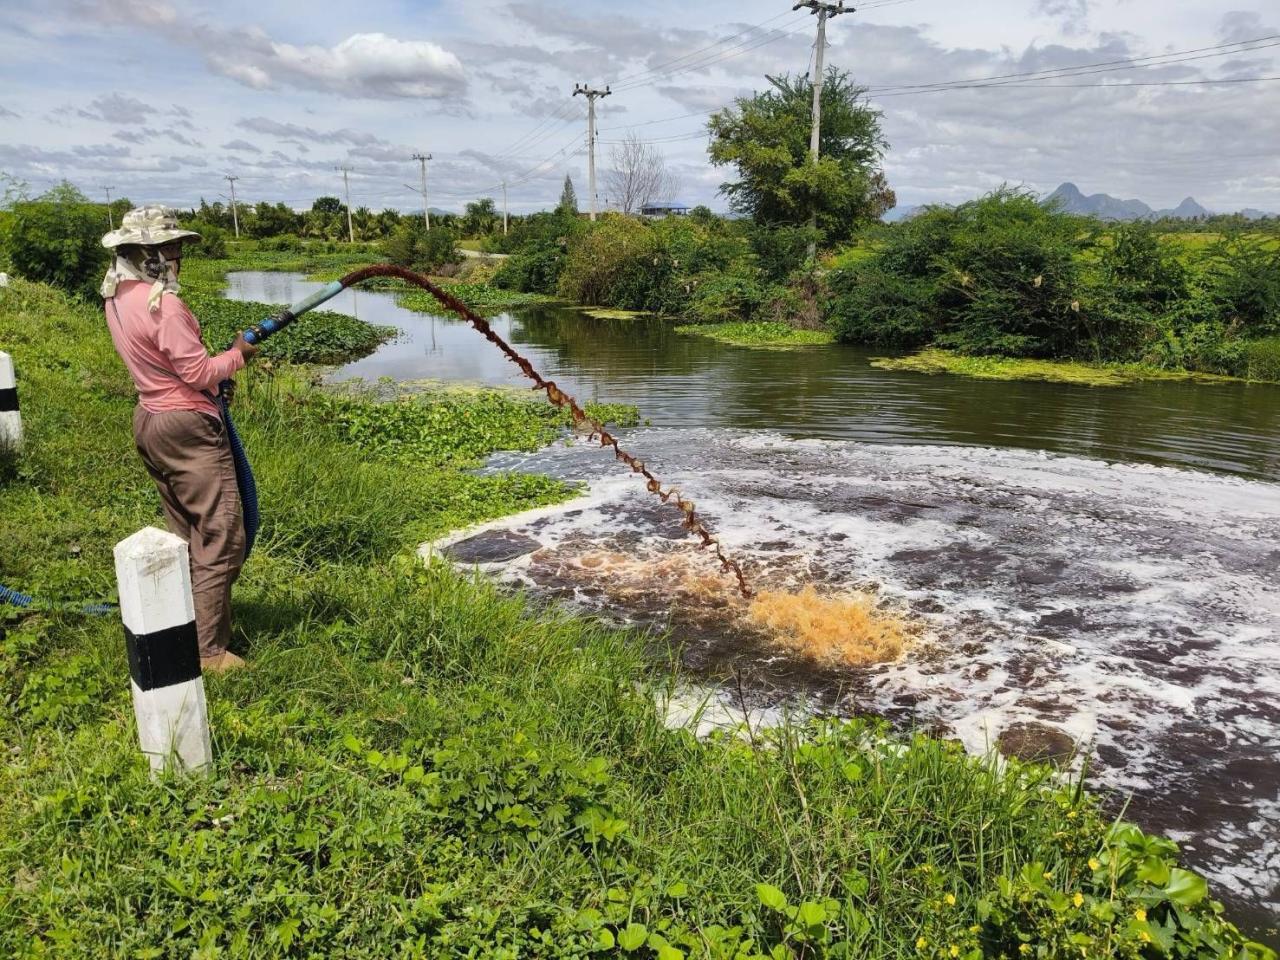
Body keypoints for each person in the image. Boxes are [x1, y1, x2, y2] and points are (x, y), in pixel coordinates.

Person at [102, 206, 258, 673]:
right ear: (148, 254)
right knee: (221, 535)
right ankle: (209, 651)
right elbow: (197, 372)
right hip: (186, 427)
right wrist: (238, 355)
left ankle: (182, 617)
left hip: (151, 418)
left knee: (186, 533)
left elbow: (171, 367)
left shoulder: (117, 296)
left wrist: (215, 378)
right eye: (171, 249)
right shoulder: (164, 305)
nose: (178, 258)